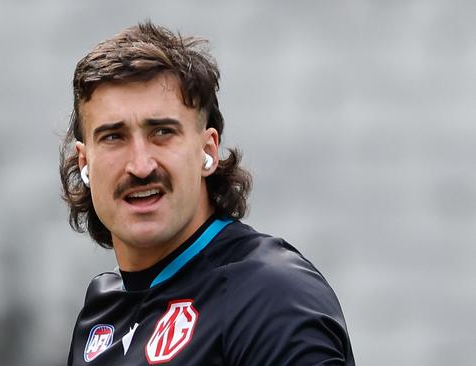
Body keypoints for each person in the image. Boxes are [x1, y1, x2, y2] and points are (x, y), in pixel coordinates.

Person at [60, 21, 354, 365]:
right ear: (85, 162)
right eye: (113, 137)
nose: (140, 165)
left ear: (208, 151)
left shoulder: (270, 295)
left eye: (162, 132)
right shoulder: (100, 314)